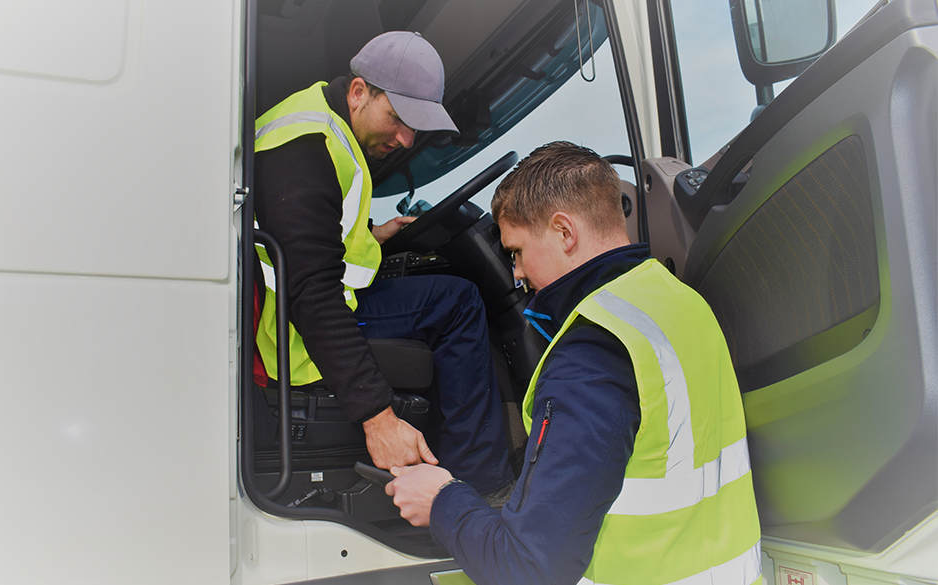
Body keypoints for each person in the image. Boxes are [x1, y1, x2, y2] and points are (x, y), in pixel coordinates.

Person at [386, 142, 762, 584]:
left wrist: (442, 500)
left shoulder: (590, 357)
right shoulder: (678, 300)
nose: (517, 275)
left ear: (564, 232)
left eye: (517, 252)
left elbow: (526, 568)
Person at [252, 31, 513, 498]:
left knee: (450, 296)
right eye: (397, 118)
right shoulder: (306, 144)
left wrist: (375, 236)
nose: (407, 138)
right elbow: (310, 289)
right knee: (459, 303)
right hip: (297, 331)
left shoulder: (319, 124)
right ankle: (483, 487)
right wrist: (379, 417)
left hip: (320, 301)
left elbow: (309, 239)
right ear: (358, 92)